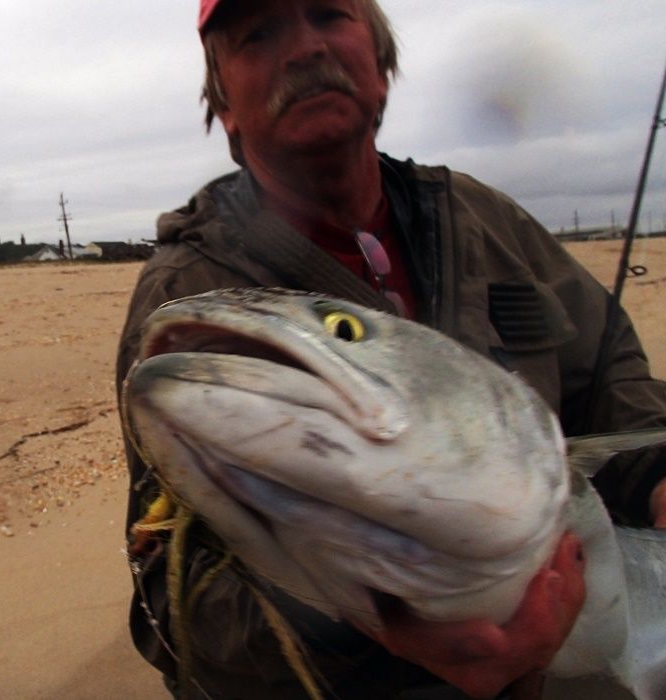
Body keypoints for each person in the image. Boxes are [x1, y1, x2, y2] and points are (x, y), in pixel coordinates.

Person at [116, 1, 666, 698]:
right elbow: (168, 610)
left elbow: (609, 359)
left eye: (328, 13)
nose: (304, 49)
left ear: (380, 64)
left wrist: (655, 470)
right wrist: (376, 630)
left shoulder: (483, 216)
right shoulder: (188, 295)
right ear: (223, 104)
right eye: (259, 34)